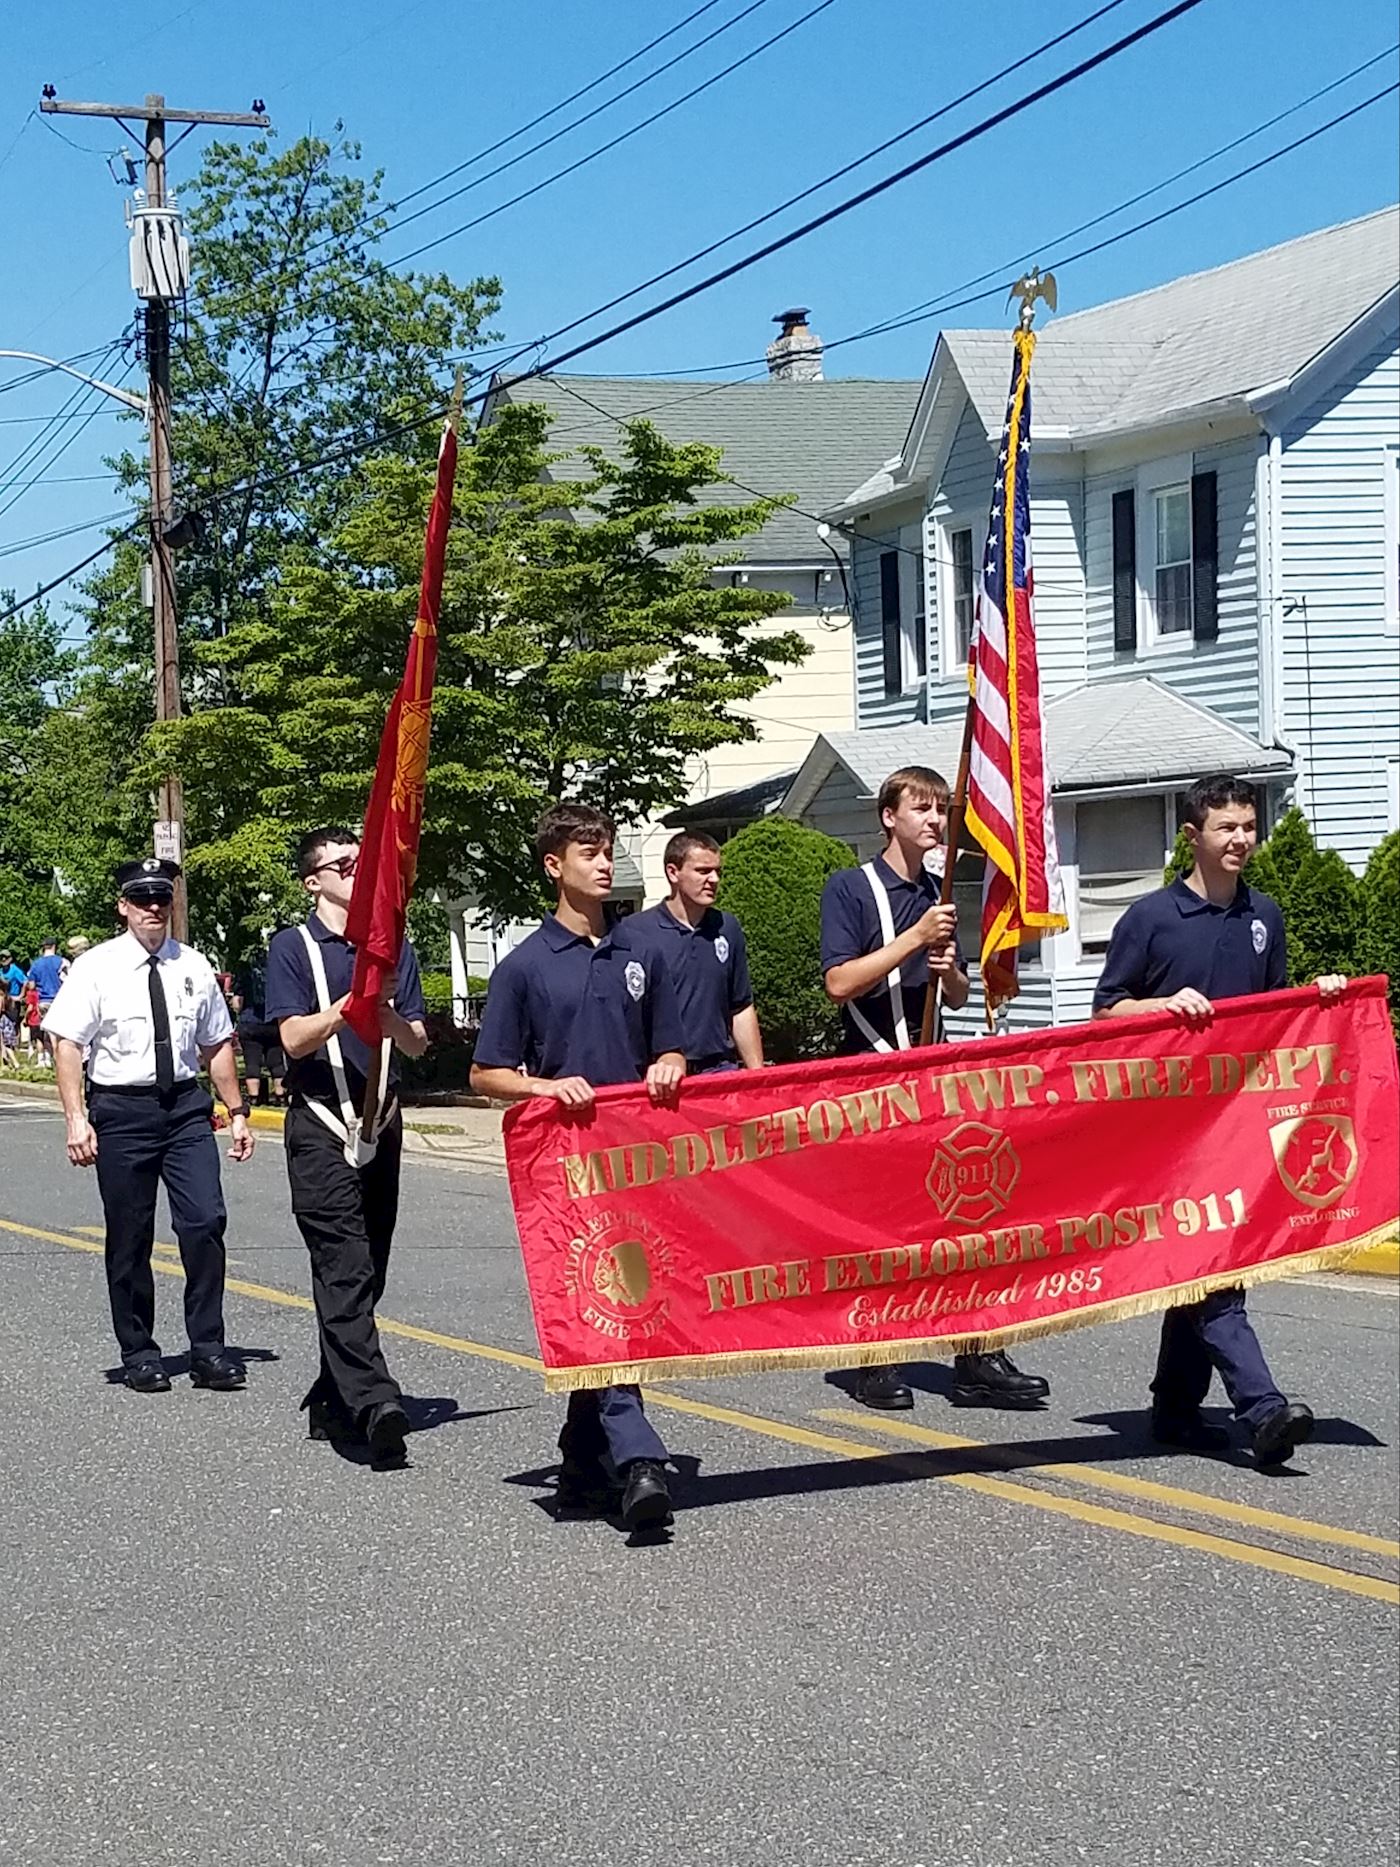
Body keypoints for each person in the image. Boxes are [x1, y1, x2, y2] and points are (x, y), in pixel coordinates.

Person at [1093, 773, 1345, 1466]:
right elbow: (1106, 1009)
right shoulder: (1150, 918)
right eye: (1225, 827)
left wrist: (1319, 999)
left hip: (1237, 1120)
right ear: (1192, 836)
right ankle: (1262, 1407)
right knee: (1215, 1265)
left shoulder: (1264, 915)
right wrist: (1164, 1005)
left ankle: (1175, 1409)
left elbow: (1275, 1017)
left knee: (1199, 1264)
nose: (1239, 839)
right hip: (1168, 1126)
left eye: (1247, 827)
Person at [470, 801, 686, 1533]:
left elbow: (674, 1043)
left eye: (608, 850)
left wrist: (669, 1060)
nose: (603, 862)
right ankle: (640, 1460)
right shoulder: (525, 966)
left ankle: (580, 1459)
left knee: (618, 1307)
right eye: (587, 852)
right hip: (565, 1167)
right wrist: (541, 1085)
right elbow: (486, 1072)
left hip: (635, 1158)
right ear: (553, 866)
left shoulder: (639, 952)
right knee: (611, 1304)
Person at [820, 764, 1051, 1413]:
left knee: (967, 1215)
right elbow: (840, 982)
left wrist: (946, 969)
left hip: (932, 1079)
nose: (935, 821)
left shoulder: (940, 892)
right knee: (883, 1232)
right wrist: (913, 939)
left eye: (941, 811)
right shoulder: (852, 889)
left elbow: (950, 992)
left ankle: (978, 1354)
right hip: (870, 1078)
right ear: (889, 816)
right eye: (922, 809)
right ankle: (876, 1359)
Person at [43, 857, 255, 1392]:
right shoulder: (97, 967)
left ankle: (208, 1349)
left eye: (161, 897)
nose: (153, 908)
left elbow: (215, 1045)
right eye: (142, 899)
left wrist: (237, 1113)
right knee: (130, 1236)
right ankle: (139, 1351)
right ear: (124, 907)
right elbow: (67, 1041)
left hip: (185, 1108)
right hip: (122, 1111)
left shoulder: (194, 965)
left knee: (205, 1223)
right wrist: (76, 1118)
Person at [264, 827, 428, 1465]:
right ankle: (376, 1400)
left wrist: (386, 1013)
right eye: (343, 865)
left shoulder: (392, 947)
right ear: (315, 881)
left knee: (371, 1269)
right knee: (344, 1266)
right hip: (320, 1125)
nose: (357, 872)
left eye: (362, 862)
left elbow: (415, 1041)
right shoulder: (292, 947)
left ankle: (333, 1396)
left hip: (380, 1122)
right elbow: (294, 1038)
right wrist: (348, 1006)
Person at [623, 830, 763, 1074]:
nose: (714, 879)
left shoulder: (726, 927)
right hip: (661, 1077)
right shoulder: (636, 933)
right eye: (703, 871)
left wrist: (759, 1076)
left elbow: (740, 1006)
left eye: (718, 871)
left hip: (720, 1070)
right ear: (673, 873)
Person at [231, 956, 287, 1108]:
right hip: (272, 1023)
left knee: (252, 1061)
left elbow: (237, 1003)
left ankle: (254, 1098)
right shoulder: (276, 974)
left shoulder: (246, 975)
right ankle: (281, 1097)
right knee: (276, 1062)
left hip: (250, 1023)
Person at [28, 939, 64, 1066]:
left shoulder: (36, 964)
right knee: (60, 1032)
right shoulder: (62, 962)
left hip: (43, 1001)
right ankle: (57, 1058)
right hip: (60, 1000)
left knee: (46, 1031)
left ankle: (47, 1059)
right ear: (54, 946)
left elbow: (31, 986)